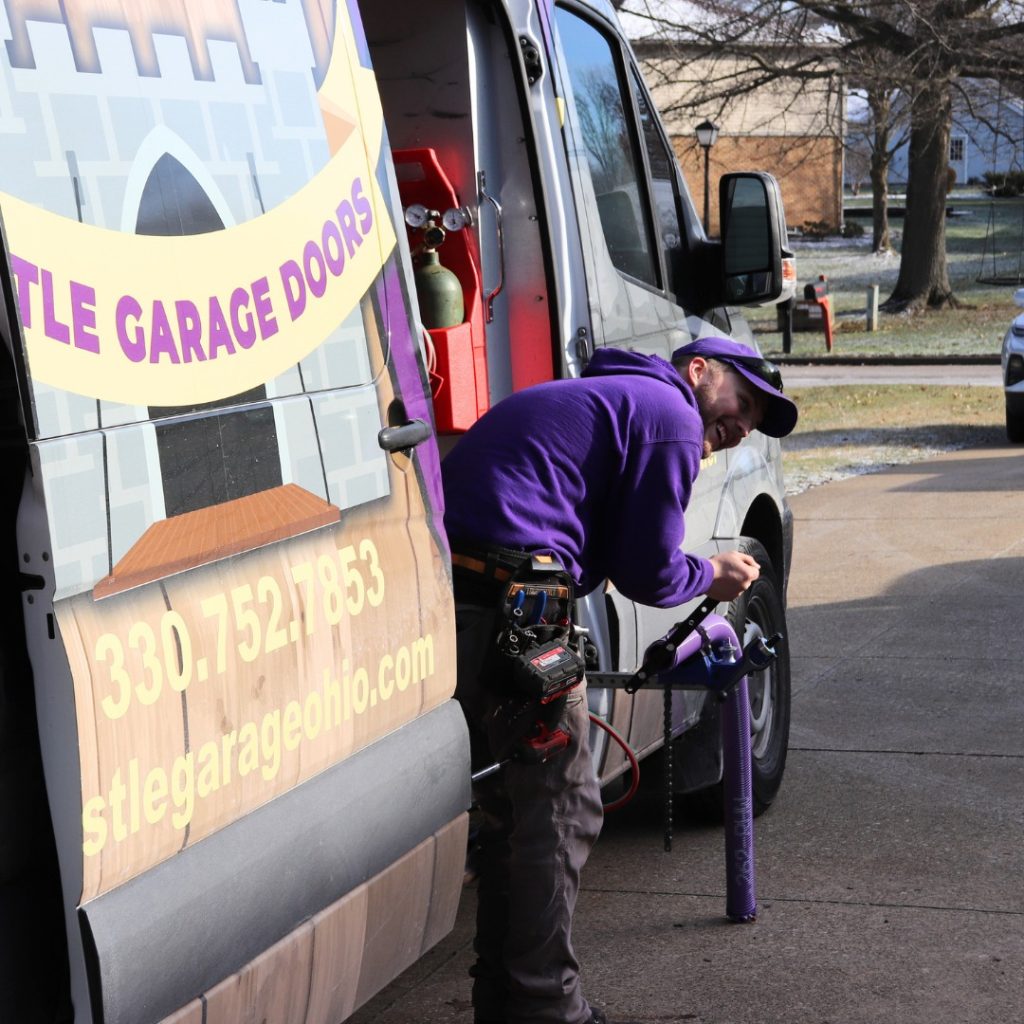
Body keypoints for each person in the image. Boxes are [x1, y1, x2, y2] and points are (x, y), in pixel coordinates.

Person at [441, 336, 798, 1024]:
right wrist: (713, 573)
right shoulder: (668, 415)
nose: (740, 427)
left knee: (516, 813)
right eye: (742, 403)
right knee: (563, 807)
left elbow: (602, 543)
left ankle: (506, 998)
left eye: (751, 423)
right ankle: (548, 1008)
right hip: (516, 599)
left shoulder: (618, 400)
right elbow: (649, 569)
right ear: (698, 371)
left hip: (464, 592)